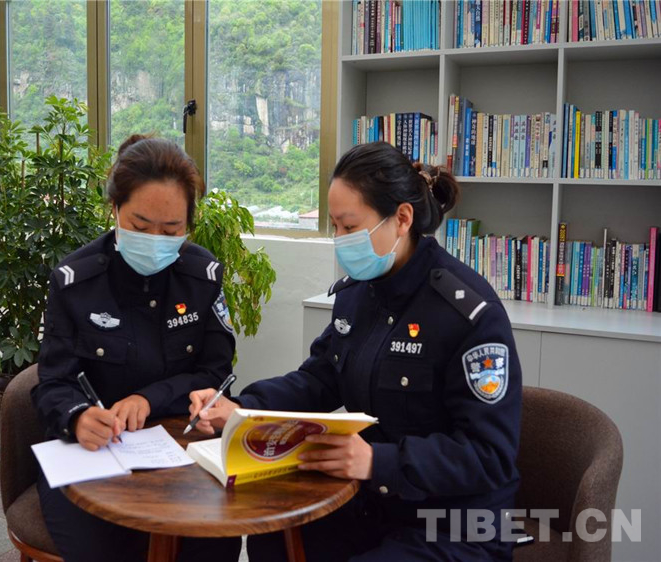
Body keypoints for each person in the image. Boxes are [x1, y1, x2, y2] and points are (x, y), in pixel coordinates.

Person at [189, 141, 522, 561]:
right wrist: (241, 409)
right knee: (271, 536)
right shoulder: (357, 294)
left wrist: (376, 461)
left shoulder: (467, 312)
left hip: (453, 521)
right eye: (335, 226)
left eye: (350, 227)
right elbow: (319, 379)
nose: (340, 241)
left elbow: (490, 456)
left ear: (402, 218)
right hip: (376, 502)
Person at [33, 135, 241, 562]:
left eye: (171, 230)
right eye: (141, 227)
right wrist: (77, 416)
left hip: (180, 445)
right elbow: (53, 382)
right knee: (103, 548)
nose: (155, 240)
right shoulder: (75, 281)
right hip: (91, 452)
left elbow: (216, 374)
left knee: (214, 541)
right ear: (114, 209)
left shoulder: (202, 277)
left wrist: (149, 398)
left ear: (189, 224)